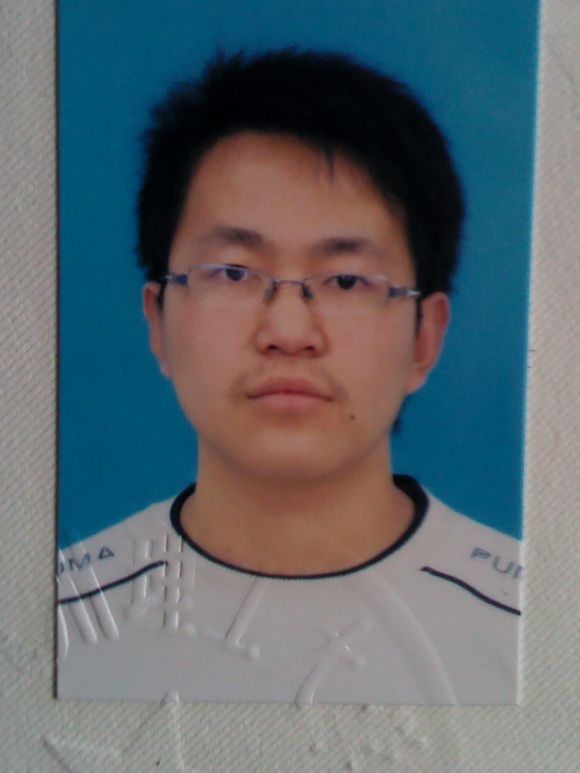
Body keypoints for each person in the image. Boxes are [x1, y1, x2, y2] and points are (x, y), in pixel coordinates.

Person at [57, 49, 522, 705]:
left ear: (425, 337)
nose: (289, 330)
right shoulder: (55, 623)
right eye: (234, 272)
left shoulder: (537, 631)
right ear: (158, 320)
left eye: (347, 280)